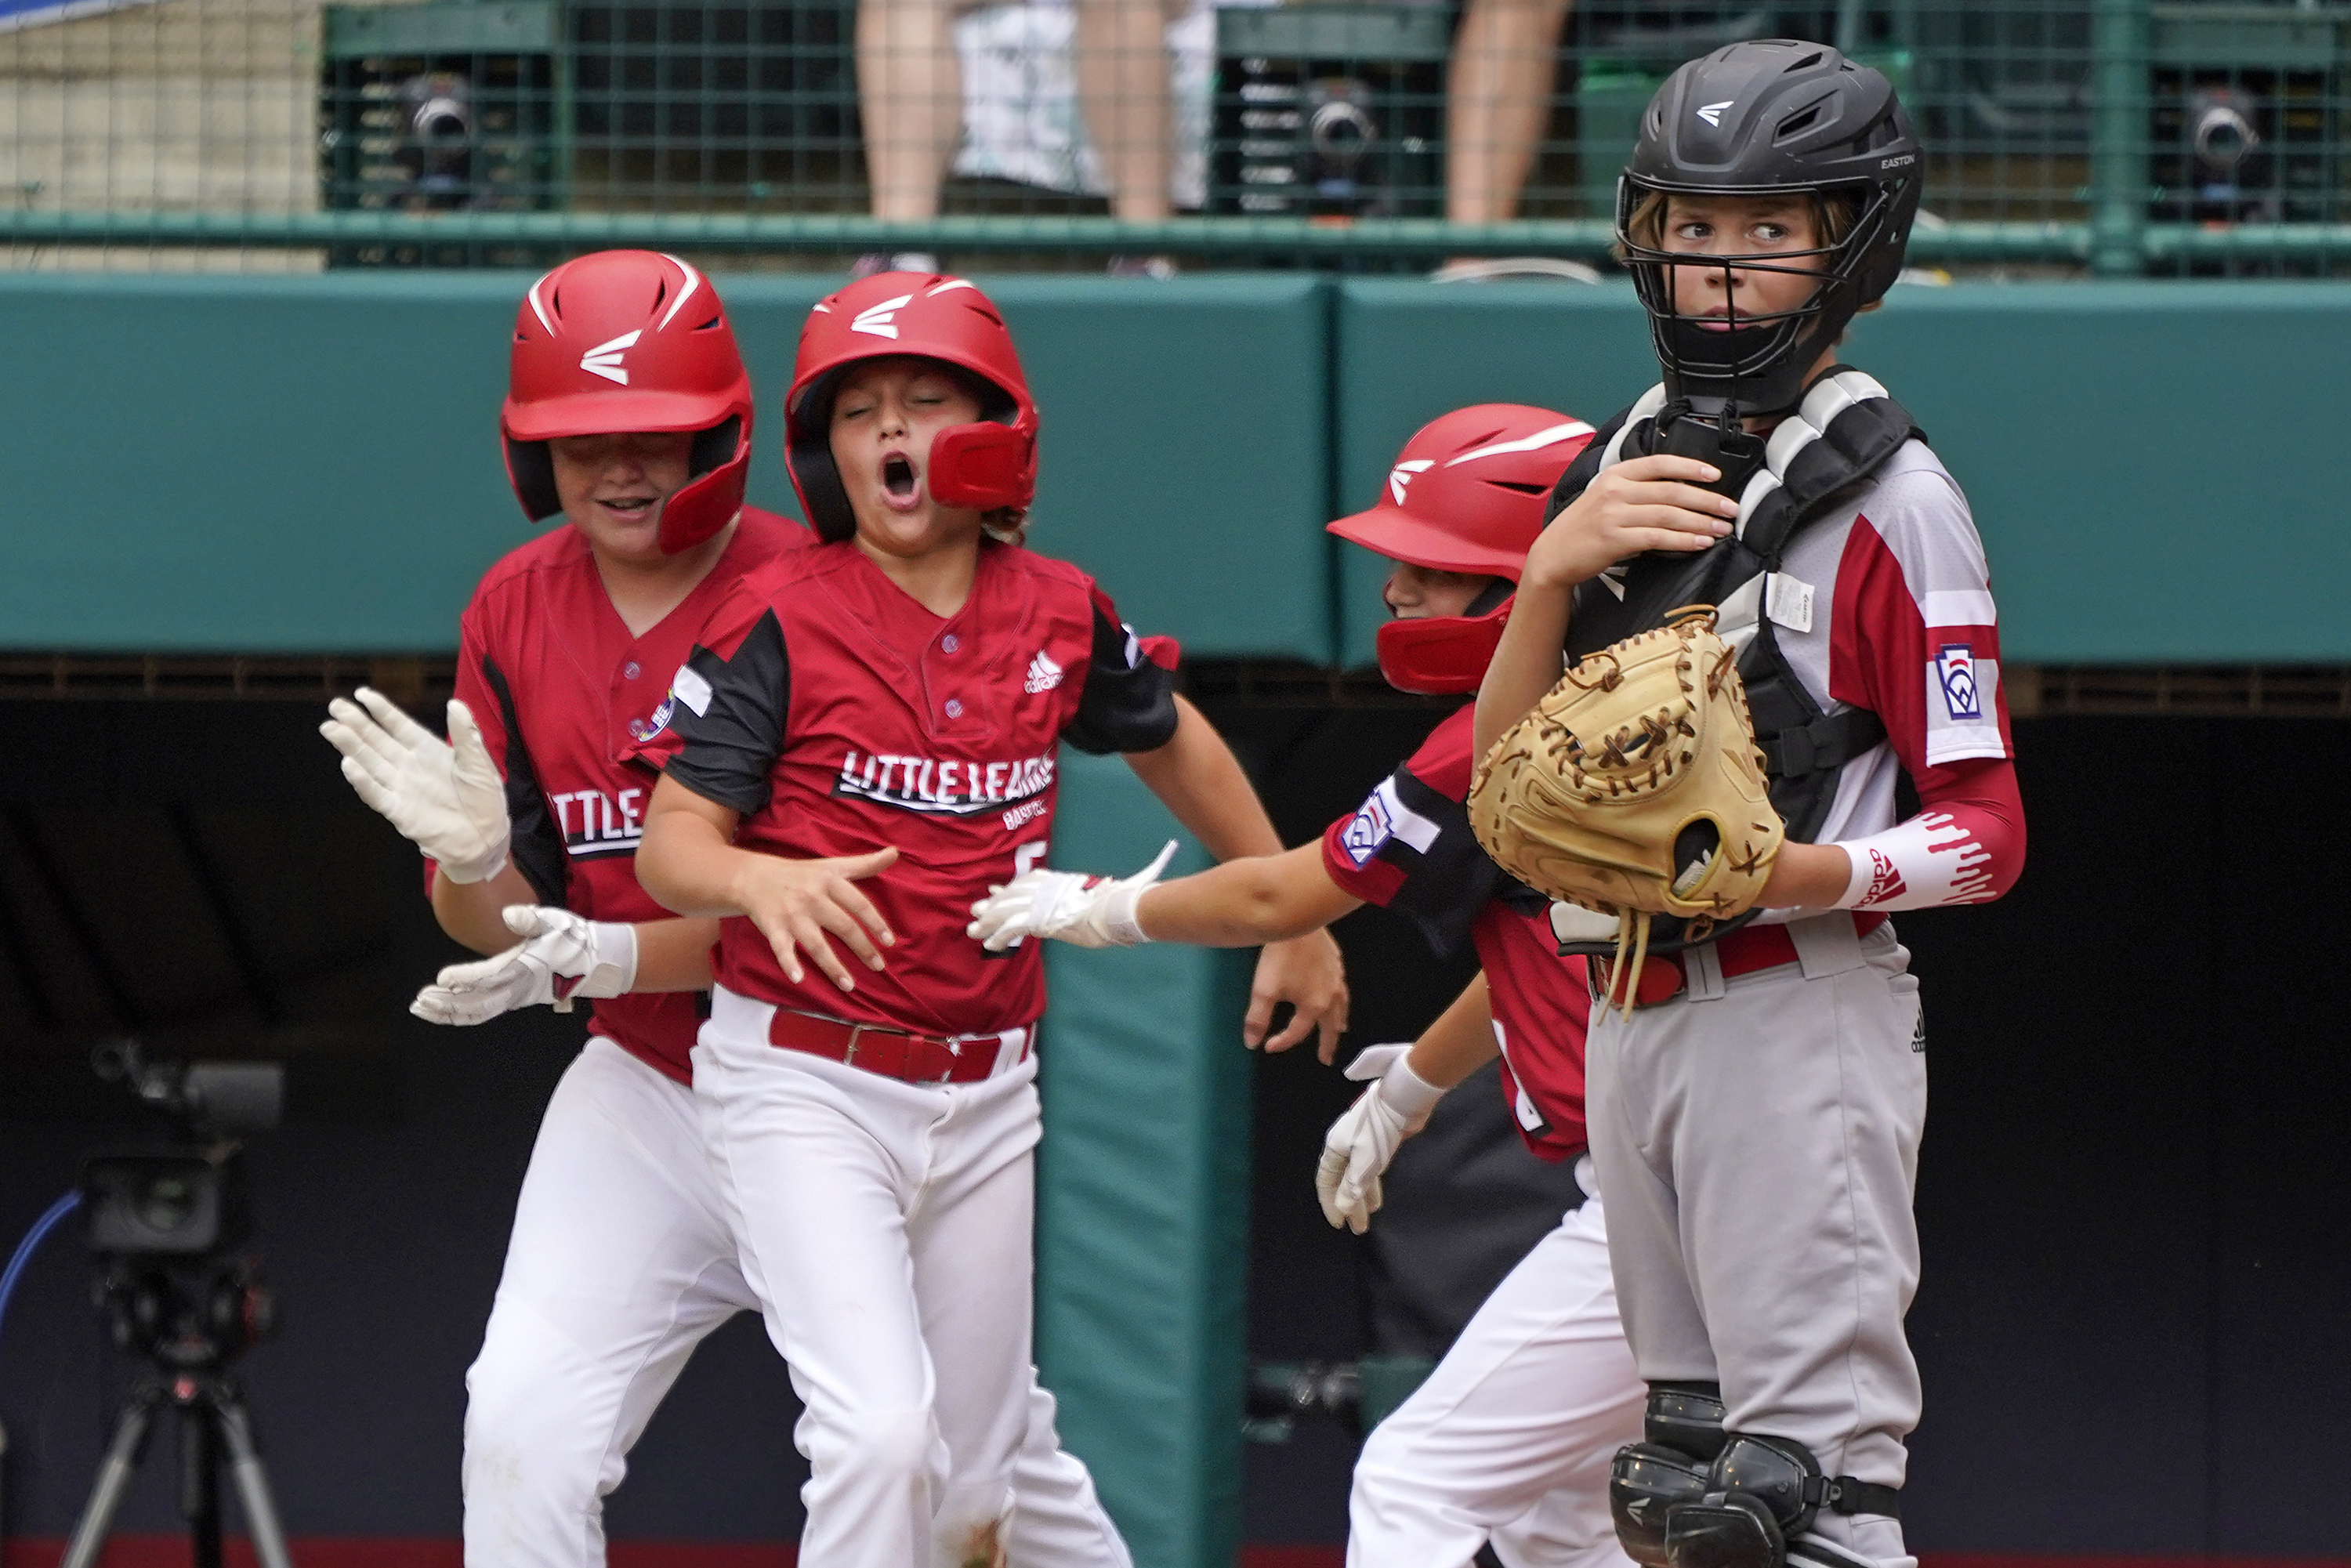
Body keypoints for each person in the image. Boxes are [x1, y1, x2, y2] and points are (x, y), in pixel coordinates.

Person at [318, 249, 1152, 1568]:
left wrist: (593, 955)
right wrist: (478, 865)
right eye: (580, 440)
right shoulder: (512, 603)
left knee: (960, 1473)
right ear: (528, 454)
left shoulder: (817, 581)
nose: (623, 466)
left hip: (844, 1073)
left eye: (654, 433)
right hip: (649, 1087)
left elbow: (850, 909)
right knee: (521, 1422)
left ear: (725, 429)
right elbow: (501, 930)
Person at [627, 268, 1348, 1567]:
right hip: (805, 1077)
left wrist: (1289, 906)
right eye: (858, 413)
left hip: (987, 1088)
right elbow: (674, 840)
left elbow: (1170, 739)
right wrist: (756, 879)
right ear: (825, 453)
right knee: (880, 1440)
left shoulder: (1059, 607)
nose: (889, 431)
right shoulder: (779, 614)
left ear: (995, 430)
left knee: (975, 1488)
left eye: (922, 401)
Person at [1470, 43, 2027, 1568]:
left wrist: (1796, 870)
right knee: (1676, 1489)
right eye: (1694, 228)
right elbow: (1501, 796)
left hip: (1800, 1011)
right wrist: (1545, 572)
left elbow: (1989, 834)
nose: (1718, 271)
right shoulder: (1623, 455)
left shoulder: (1897, 501)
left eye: (1766, 232)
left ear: (1851, 240)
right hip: (1629, 1009)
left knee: (1805, 1504)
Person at [969, 403, 1650, 1567]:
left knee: (1414, 1480)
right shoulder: (1621, 701)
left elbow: (1280, 898)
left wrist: (1099, 907)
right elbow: (1573, 953)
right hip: (1687, 1182)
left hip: (1668, 1204)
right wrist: (1415, 1087)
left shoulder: (1502, 733)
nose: (1395, 598)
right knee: (1557, 1518)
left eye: (1430, 574)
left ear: (1521, 585)